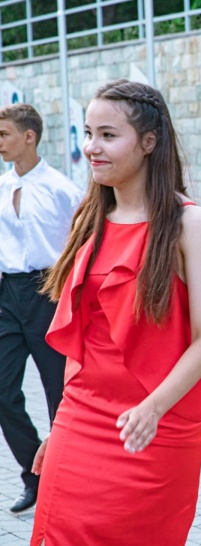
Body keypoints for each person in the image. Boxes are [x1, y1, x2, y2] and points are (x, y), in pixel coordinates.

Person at [30, 79, 201, 546]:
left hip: (156, 426)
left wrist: (152, 408)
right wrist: (60, 426)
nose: (91, 147)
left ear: (149, 142)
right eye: (87, 133)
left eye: (108, 135)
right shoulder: (90, 217)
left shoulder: (190, 225)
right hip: (81, 418)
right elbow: (85, 335)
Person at [0, 104, 82, 514]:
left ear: (29, 136)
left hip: (49, 292)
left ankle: (66, 485)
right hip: (8, 294)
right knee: (2, 391)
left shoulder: (62, 189)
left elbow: (82, 246)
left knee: (59, 395)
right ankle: (34, 472)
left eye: (4, 134)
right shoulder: (1, 186)